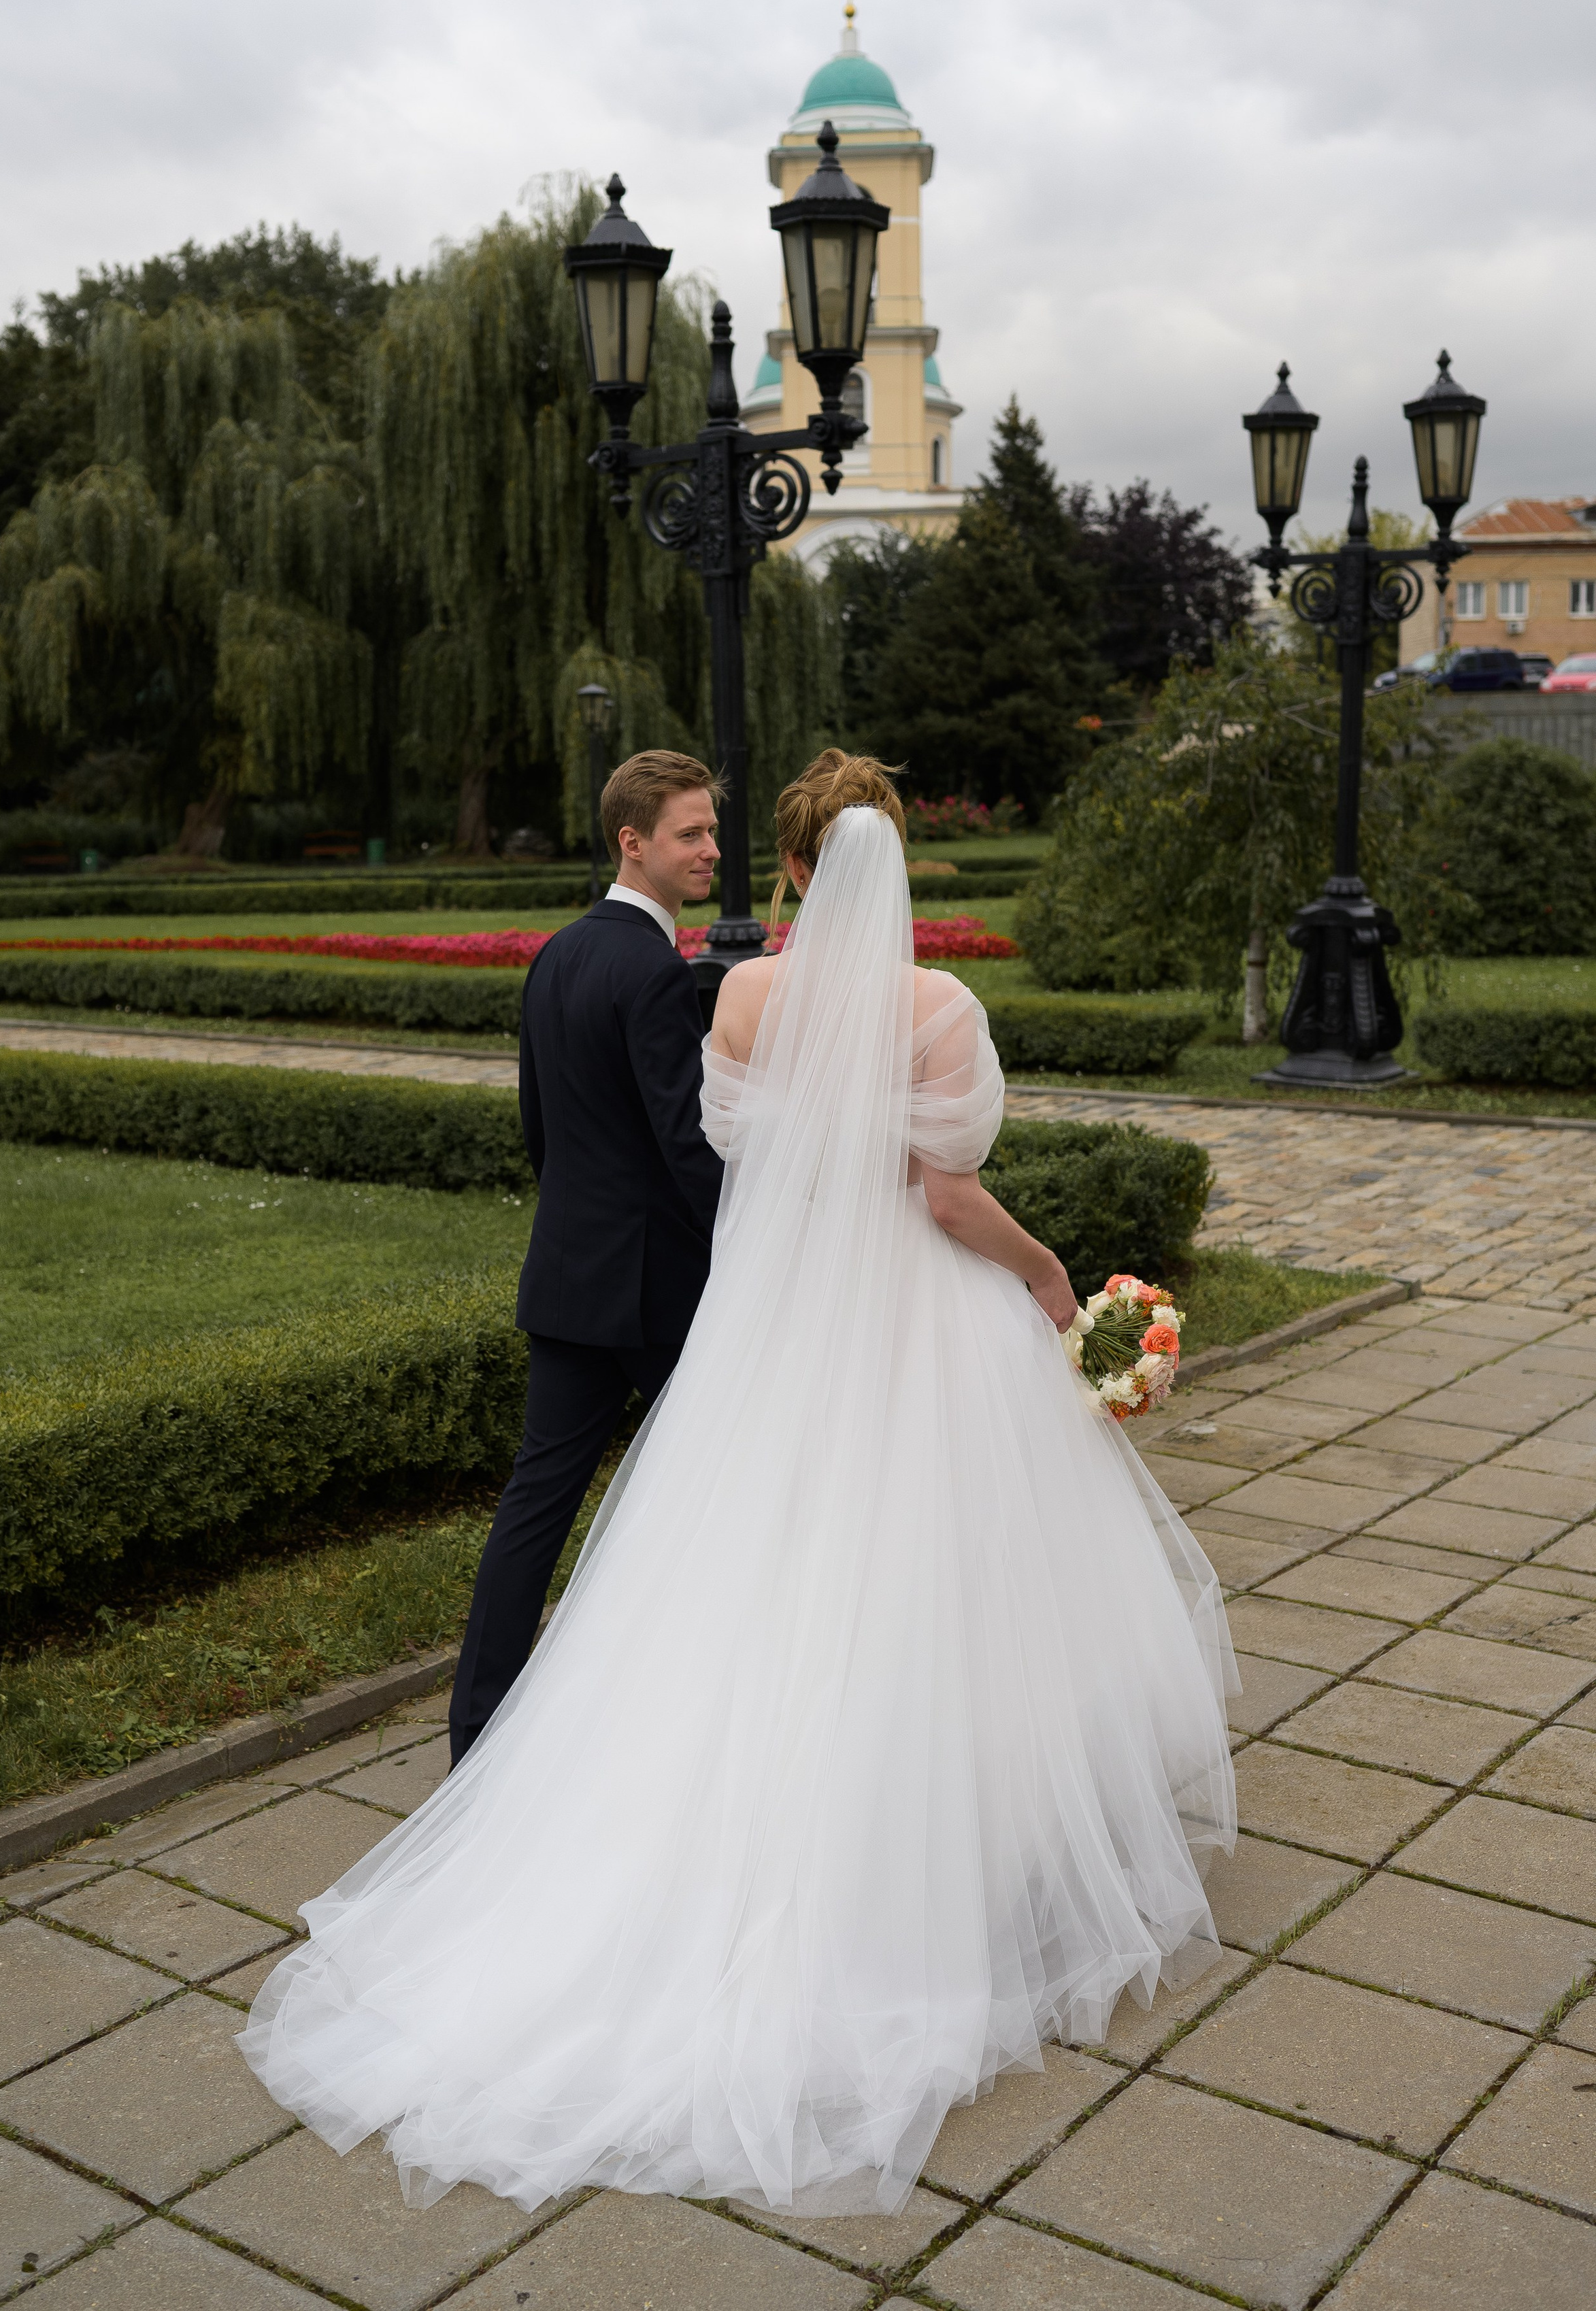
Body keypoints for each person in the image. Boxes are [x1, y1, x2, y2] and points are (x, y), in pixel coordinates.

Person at [239, 752, 1237, 2219]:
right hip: (913, 1326)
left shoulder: (741, 999)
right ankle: (957, 1862)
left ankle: (688, 1831)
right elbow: (945, 1196)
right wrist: (1044, 1273)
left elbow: (729, 1162)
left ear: (781, 866)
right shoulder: (938, 1008)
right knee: (937, 1574)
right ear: (894, 860)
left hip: (776, 1338)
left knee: (737, 1577)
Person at [446, 749, 726, 1765]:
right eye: (691, 832)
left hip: (567, 1276)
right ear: (633, 841)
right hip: (656, 1295)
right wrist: (754, 1234)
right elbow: (686, 1147)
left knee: (535, 1506)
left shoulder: (557, 954)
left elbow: (542, 1131)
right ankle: (683, 1712)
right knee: (718, 1496)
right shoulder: (655, 970)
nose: (710, 849)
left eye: (709, 830)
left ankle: (476, 1729)